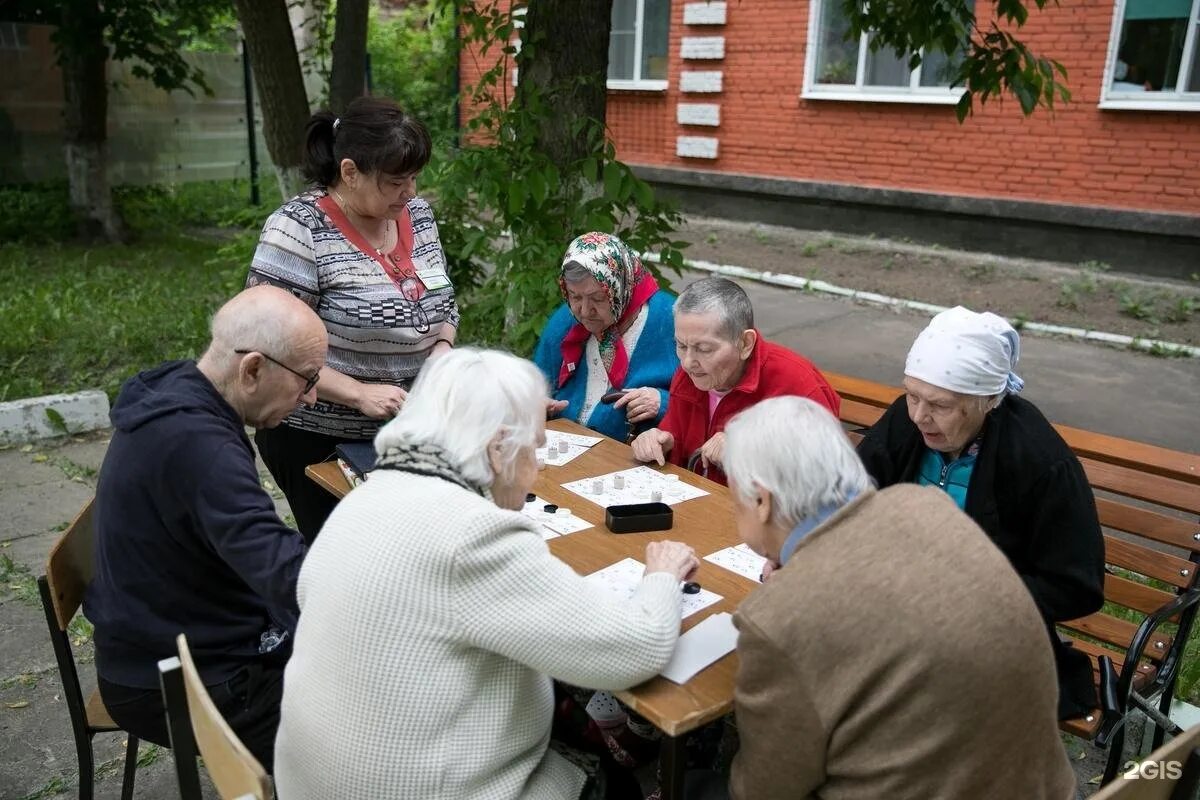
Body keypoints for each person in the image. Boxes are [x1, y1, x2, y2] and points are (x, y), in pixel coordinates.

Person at [273, 347, 699, 800]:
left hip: (316, 776)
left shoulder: (366, 494)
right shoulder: (472, 537)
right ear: (497, 448)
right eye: (534, 450)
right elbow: (633, 650)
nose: (534, 471)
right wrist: (662, 576)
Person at [722, 396, 1079, 800]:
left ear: (762, 500)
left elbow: (765, 789)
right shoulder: (927, 504)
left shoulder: (776, 618)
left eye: (736, 506)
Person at [84, 286, 322, 771]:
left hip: (163, 637)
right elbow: (286, 575)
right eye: (308, 379)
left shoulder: (178, 389)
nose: (312, 397)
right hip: (175, 678)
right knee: (377, 737)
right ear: (252, 369)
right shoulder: (200, 446)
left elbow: (260, 550)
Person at [855, 305, 1105, 719]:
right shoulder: (907, 420)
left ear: (989, 400)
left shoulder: (1040, 463)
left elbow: (1076, 586)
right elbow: (853, 495)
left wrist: (966, 596)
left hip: (985, 635)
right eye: (912, 395)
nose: (919, 416)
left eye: (940, 405)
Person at [245, 96, 458, 543]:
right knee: (351, 562)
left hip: (406, 431)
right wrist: (358, 393)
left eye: (415, 178)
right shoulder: (297, 229)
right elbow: (269, 346)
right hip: (319, 439)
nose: (412, 193)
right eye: (397, 181)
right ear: (349, 172)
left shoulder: (415, 216)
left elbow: (443, 303)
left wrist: (441, 349)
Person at [630, 276, 840, 485]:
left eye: (704, 349)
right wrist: (659, 442)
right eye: (681, 346)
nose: (687, 362)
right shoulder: (693, 374)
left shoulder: (797, 384)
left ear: (745, 343)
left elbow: (828, 475)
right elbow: (676, 441)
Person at [533, 232, 679, 442]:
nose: (584, 310)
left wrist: (663, 402)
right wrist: (538, 403)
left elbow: (707, 400)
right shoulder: (566, 320)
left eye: (597, 298)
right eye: (574, 296)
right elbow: (537, 384)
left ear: (620, 287)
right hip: (564, 447)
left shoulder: (670, 320)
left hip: (632, 456)